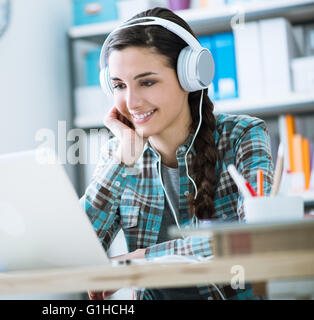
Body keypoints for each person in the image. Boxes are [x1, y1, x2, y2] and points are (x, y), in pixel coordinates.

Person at [79, 7, 274, 300]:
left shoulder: (242, 135)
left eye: (147, 82)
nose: (131, 102)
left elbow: (254, 239)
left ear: (190, 77)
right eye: (119, 85)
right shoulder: (118, 153)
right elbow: (77, 249)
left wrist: (144, 260)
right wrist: (122, 160)